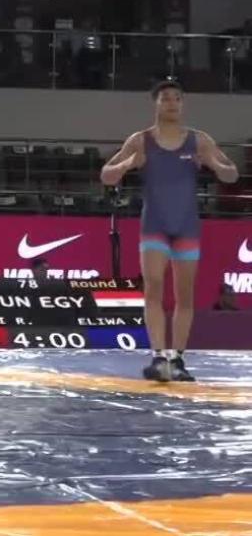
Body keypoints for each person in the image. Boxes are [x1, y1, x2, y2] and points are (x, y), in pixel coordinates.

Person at [100, 80, 239, 382]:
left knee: (184, 295)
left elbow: (232, 174)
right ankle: (158, 356)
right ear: (156, 103)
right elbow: (106, 176)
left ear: (183, 103)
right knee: (153, 289)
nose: (172, 103)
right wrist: (128, 163)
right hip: (155, 226)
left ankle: (177, 358)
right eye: (166, 98)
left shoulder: (199, 140)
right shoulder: (141, 140)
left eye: (177, 98)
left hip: (186, 226)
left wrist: (214, 163)